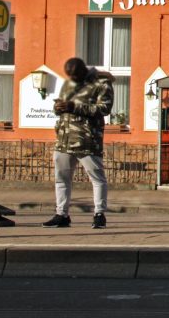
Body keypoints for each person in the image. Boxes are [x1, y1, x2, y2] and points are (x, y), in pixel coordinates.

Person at [43, 57, 113, 229]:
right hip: (64, 139)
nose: (72, 78)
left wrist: (74, 107)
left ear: (83, 71)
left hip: (87, 140)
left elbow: (104, 109)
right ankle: (62, 215)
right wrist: (58, 108)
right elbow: (62, 105)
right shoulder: (69, 83)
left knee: (97, 178)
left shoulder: (102, 83)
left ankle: (99, 214)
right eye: (70, 76)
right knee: (61, 179)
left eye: (75, 75)